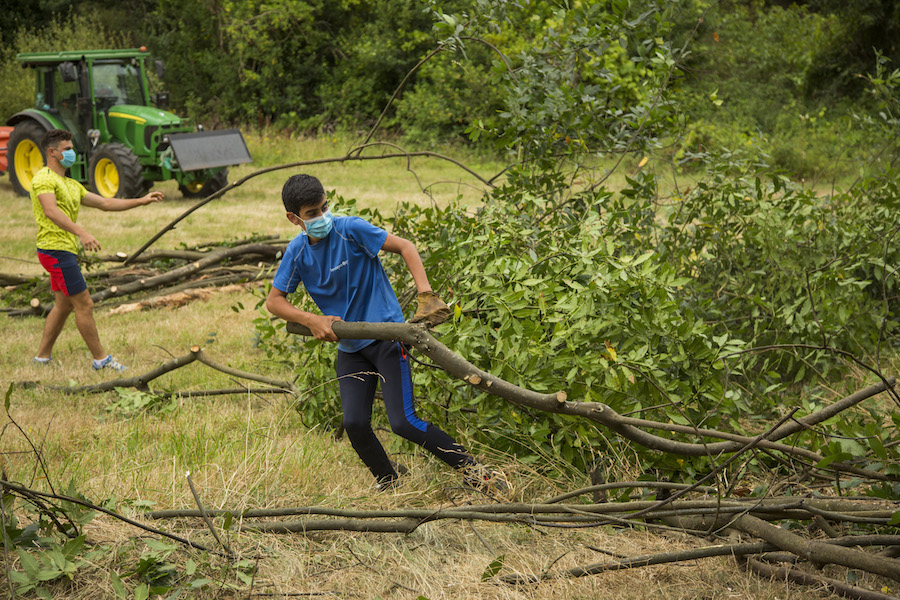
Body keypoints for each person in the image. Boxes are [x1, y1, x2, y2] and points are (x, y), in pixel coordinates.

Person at [266, 174, 506, 492]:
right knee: (354, 424)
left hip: (388, 340)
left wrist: (426, 295)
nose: (322, 217)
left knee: (403, 422)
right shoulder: (298, 252)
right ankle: (389, 482)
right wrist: (311, 319)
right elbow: (274, 302)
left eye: (325, 207)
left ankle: (478, 475)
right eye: (312, 214)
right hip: (351, 348)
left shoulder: (350, 230)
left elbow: (405, 247)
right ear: (293, 218)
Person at [31, 129, 163, 372]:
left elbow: (105, 203)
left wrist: (141, 200)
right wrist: (82, 232)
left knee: (63, 305)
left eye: (72, 148)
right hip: (55, 250)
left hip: (63, 250)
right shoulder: (44, 179)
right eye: (67, 149)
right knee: (85, 304)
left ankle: (42, 357)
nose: (72, 153)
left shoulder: (71, 184)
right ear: (52, 152)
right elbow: (51, 211)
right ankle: (101, 360)